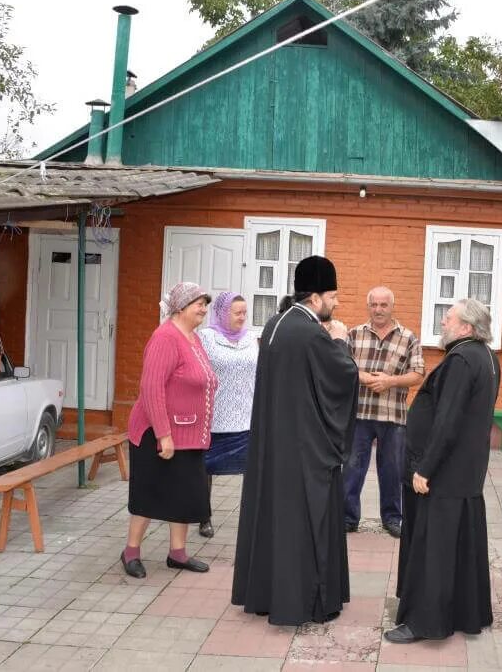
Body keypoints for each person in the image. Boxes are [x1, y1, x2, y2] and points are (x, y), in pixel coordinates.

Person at [231, 255, 359, 626]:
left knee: (274, 518)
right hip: (303, 449)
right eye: (333, 296)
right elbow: (340, 378)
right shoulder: (311, 332)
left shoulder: (275, 323)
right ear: (316, 298)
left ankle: (268, 594)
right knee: (303, 521)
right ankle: (305, 600)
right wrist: (339, 342)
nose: (335, 304)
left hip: (275, 442)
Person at [384, 299, 501, 644]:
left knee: (434, 550)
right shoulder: (485, 356)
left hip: (445, 474)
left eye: (448, 318)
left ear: (466, 327)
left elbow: (447, 421)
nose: (443, 323)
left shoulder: (462, 359)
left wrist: (425, 468)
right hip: (465, 471)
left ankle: (425, 623)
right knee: (460, 548)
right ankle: (467, 614)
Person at [122, 282, 218, 578]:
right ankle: (131, 552)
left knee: (184, 494)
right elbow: (151, 388)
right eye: (198, 303)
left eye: (205, 303)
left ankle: (177, 553)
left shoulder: (193, 338)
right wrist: (164, 434)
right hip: (158, 434)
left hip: (188, 435)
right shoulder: (165, 338)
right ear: (180, 307)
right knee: (149, 494)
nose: (203, 308)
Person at [344, 286, 425, 538]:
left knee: (392, 469)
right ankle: (347, 517)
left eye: (383, 305)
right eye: (374, 305)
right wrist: (366, 378)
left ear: (392, 306)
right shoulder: (354, 334)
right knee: (352, 468)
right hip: (359, 414)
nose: (378, 310)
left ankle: (392, 518)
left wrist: (390, 381)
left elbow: (418, 374)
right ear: (368, 306)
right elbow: (341, 366)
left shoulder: (408, 337)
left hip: (393, 415)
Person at [196, 292, 258, 539]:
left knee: (251, 470)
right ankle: (203, 516)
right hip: (214, 416)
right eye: (237, 313)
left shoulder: (251, 338)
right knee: (206, 469)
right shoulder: (206, 337)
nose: (242, 317)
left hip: (246, 415)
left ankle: (252, 517)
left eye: (245, 312)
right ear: (222, 313)